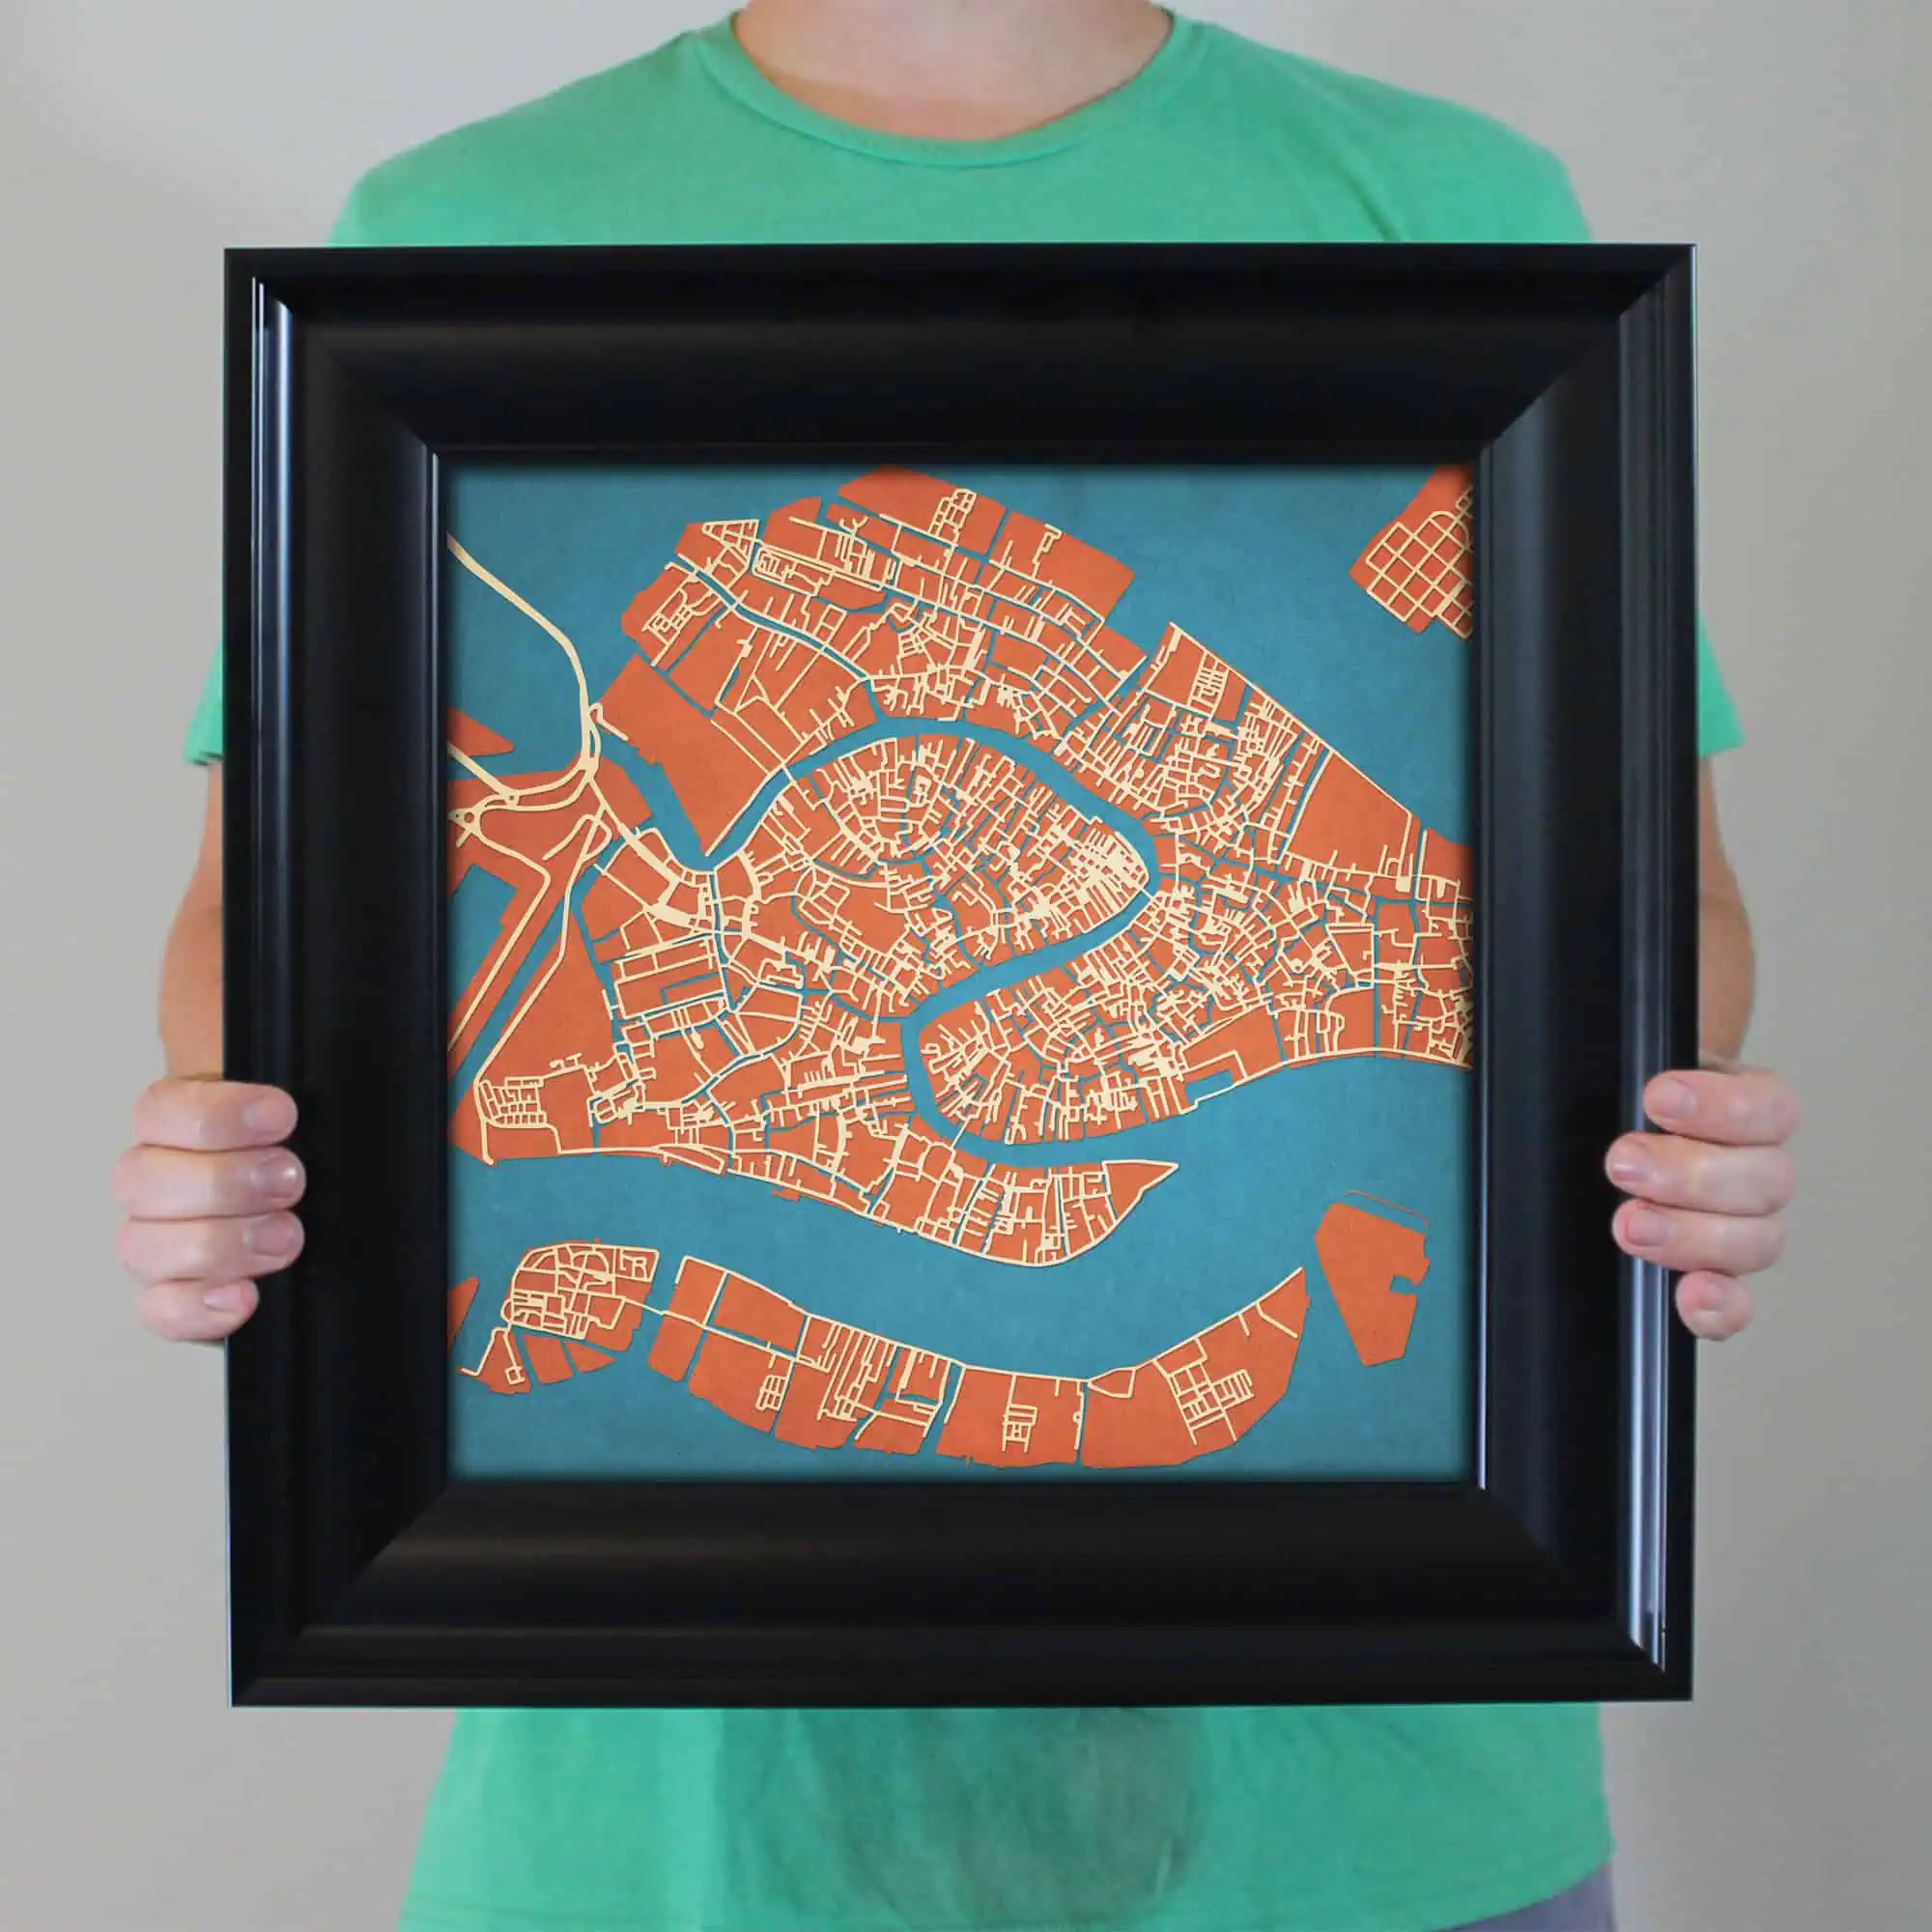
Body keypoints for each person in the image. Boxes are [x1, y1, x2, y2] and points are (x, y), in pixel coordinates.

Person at [114, 5, 1801, 1928]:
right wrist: (250, 1165)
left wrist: (1658, 1135)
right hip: (681, 1831)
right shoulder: (462, 232)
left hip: (1368, 1813)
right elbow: (269, 926)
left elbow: (1644, 906)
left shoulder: (1445, 208)